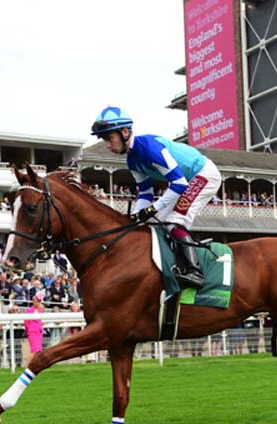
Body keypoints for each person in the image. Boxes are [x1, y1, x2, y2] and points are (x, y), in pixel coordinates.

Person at [91, 106, 222, 288]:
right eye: (104, 140)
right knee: (152, 223)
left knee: (174, 221)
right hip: (183, 182)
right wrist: (137, 216)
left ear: (125, 131)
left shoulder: (149, 148)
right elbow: (145, 192)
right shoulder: (132, 160)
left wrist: (153, 208)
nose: (107, 145)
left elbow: (179, 183)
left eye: (109, 138)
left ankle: (195, 271)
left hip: (203, 175)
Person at [24, 292, 46, 360]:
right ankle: (28, 367)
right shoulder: (29, 310)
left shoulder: (41, 309)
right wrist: (28, 331)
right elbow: (26, 323)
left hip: (39, 331)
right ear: (33, 302)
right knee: (34, 351)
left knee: (39, 351)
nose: (36, 303)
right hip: (32, 331)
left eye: (38, 302)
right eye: (35, 301)